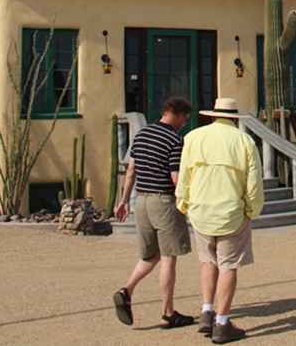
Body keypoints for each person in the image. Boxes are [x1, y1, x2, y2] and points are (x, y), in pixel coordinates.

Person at [176, 97, 264, 344]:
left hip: (201, 210)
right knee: (228, 266)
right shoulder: (244, 141)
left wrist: (183, 202)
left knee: (207, 261)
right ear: (235, 118)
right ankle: (222, 323)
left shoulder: (193, 138)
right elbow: (253, 182)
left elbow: (185, 174)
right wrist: (252, 209)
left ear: (213, 115)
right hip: (231, 212)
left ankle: (206, 310)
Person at [112, 97, 194, 330]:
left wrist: (124, 201)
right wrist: (190, 202)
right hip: (164, 201)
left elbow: (131, 171)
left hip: (142, 201)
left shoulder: (142, 135)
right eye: (184, 119)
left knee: (150, 256)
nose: (184, 124)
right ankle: (168, 313)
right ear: (176, 114)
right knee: (168, 257)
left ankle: (126, 290)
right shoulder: (175, 140)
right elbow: (175, 178)